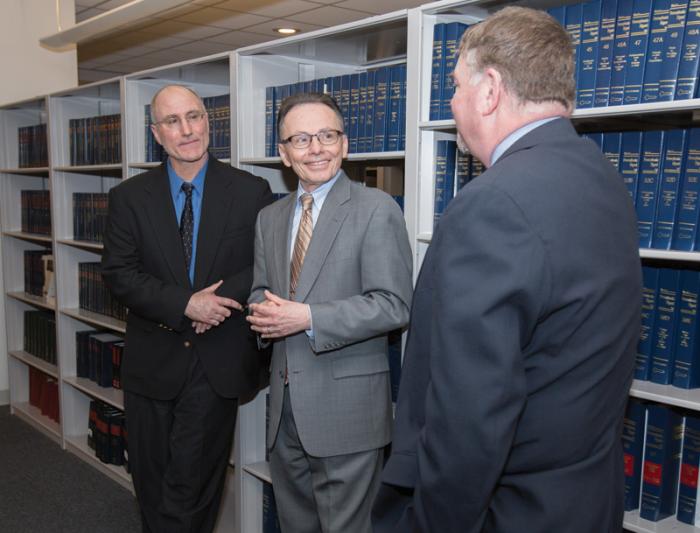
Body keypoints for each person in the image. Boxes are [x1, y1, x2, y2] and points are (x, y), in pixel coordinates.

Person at [373, 7, 642, 533]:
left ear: (490, 90)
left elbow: (470, 416)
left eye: (455, 86)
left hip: (509, 511)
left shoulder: (492, 203)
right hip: (584, 502)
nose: (452, 103)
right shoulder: (602, 177)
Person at [101, 84, 272, 532]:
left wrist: (214, 303)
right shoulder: (129, 197)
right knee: (151, 483)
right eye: (172, 121)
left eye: (194, 116)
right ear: (157, 133)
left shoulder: (252, 191)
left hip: (215, 360)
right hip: (152, 359)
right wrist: (186, 304)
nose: (187, 129)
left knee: (192, 488)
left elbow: (264, 263)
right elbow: (119, 274)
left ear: (208, 121)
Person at [246, 92, 413, 533]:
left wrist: (309, 318)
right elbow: (260, 291)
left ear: (345, 144)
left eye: (327, 135)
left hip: (348, 413)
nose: (316, 148)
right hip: (284, 412)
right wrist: (261, 313)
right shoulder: (270, 218)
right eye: (301, 139)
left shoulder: (376, 209)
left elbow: (393, 304)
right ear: (284, 154)